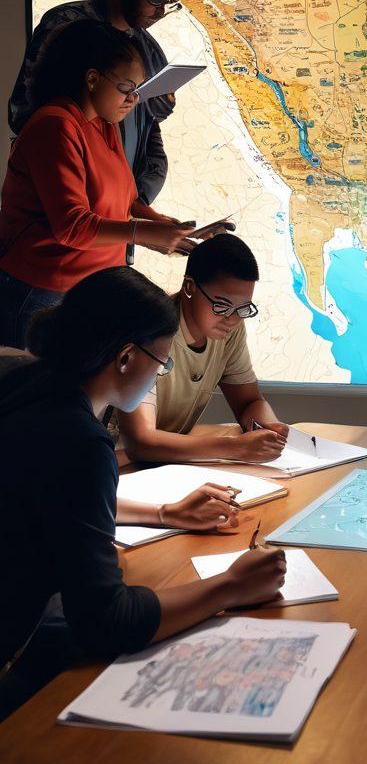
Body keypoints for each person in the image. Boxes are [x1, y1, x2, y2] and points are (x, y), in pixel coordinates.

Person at [0, 267, 286, 719]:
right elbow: (105, 622)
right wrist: (230, 586)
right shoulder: (80, 441)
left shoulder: (24, 384)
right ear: (127, 358)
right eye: (163, 362)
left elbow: (50, 497)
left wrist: (164, 513)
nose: (159, 376)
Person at [0, 21, 206, 348]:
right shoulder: (55, 126)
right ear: (92, 79)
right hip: (41, 293)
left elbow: (124, 200)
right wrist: (144, 233)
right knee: (36, 395)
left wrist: (160, 224)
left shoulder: (103, 122)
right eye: (127, 88)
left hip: (86, 288)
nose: (134, 100)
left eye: (138, 90)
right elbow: (72, 227)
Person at [9, 0, 186, 205]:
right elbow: (23, 113)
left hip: (119, 208)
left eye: (171, 4)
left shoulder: (149, 51)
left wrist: (139, 201)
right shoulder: (65, 25)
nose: (160, 12)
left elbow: (151, 134)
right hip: (59, 203)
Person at [114, 235, 289, 465]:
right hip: (116, 463)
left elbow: (248, 402)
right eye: (222, 305)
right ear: (189, 287)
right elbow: (141, 442)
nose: (232, 319)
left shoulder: (230, 330)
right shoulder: (153, 331)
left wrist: (268, 428)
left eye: (244, 309)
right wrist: (234, 448)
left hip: (165, 464)